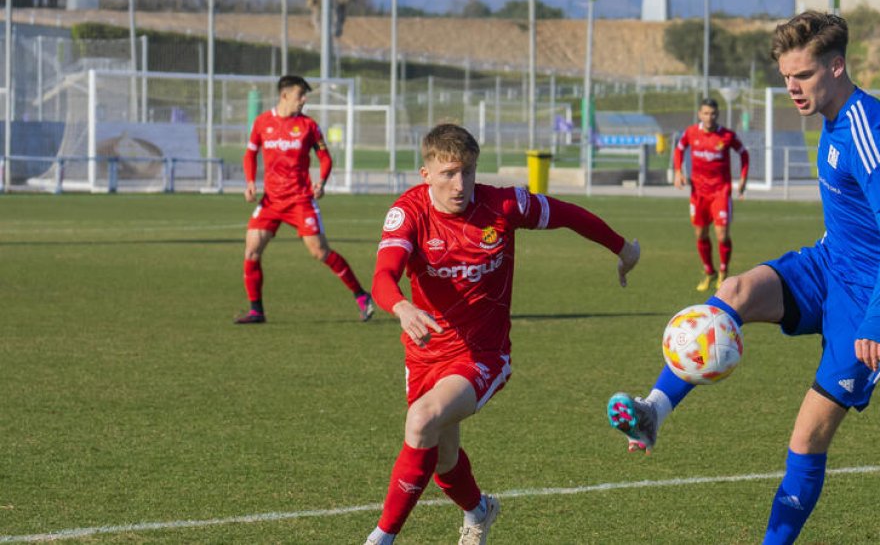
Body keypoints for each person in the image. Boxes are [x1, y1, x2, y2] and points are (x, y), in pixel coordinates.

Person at [606, 12, 880, 543]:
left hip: (872, 295)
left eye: (802, 75)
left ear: (837, 66)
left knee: (807, 437)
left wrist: (875, 316)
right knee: (732, 294)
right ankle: (653, 412)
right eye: (784, 78)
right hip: (829, 263)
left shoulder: (868, 130)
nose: (791, 88)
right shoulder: (832, 116)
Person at [364, 124, 640, 545]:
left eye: (469, 172)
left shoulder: (503, 205)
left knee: (421, 421)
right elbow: (383, 275)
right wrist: (401, 305)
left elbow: (568, 214)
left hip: (483, 354)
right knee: (442, 457)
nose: (461, 185)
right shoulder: (410, 212)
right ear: (426, 175)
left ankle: (380, 539)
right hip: (424, 354)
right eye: (449, 174)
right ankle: (480, 511)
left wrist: (623, 249)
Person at [236, 75, 374, 324]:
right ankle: (256, 310)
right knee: (252, 250)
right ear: (285, 95)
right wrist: (249, 182)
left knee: (320, 252)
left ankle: (362, 296)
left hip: (300, 200)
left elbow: (325, 157)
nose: (304, 100)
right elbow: (250, 154)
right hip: (271, 201)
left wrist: (321, 181)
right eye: (300, 94)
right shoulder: (262, 122)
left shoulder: (309, 126)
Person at [673, 97, 750, 291]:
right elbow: (679, 149)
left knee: (722, 235)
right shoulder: (691, 133)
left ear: (718, 114)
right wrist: (678, 171)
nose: (709, 117)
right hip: (698, 193)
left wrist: (743, 179)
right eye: (706, 113)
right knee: (700, 233)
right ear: (700, 114)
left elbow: (744, 154)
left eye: (713, 113)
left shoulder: (726, 136)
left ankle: (723, 271)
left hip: (720, 192)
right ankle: (709, 272)